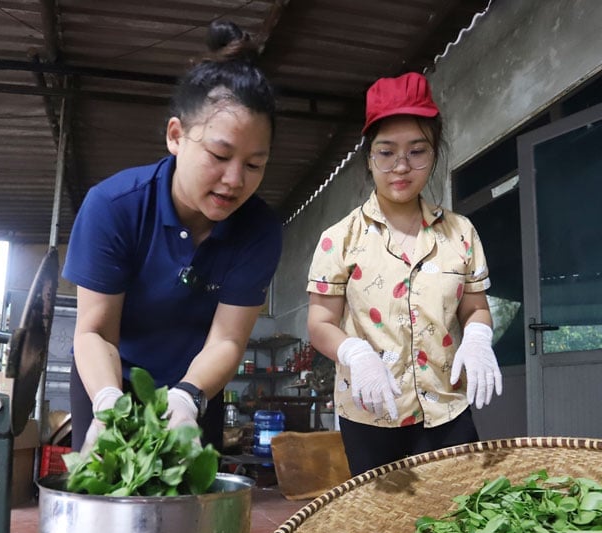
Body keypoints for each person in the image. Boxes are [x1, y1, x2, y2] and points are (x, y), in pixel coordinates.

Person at [63, 20, 282, 455]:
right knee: (106, 496)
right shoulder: (114, 206)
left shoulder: (259, 230)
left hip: (196, 384)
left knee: (191, 504)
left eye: (254, 165)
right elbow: (95, 332)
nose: (234, 180)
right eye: (220, 155)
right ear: (176, 136)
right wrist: (109, 402)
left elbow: (226, 340)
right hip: (109, 374)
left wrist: (187, 396)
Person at [306, 72, 502, 476]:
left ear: (434, 154)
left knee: (458, 519)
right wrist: (356, 354)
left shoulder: (460, 233)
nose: (401, 166)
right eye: (386, 152)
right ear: (368, 157)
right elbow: (320, 323)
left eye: (417, 152)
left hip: (446, 406)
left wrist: (479, 335)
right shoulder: (339, 239)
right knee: (385, 529)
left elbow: (475, 309)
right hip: (372, 412)